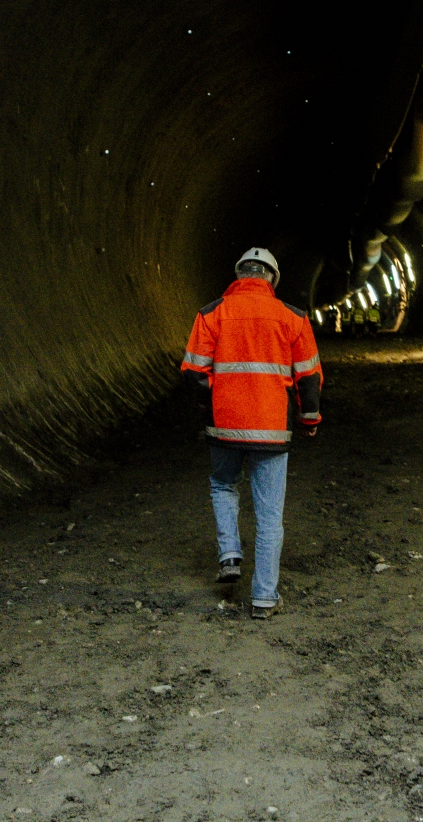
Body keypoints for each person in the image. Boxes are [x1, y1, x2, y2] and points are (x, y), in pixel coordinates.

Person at [180, 248, 323, 620]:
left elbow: (194, 373)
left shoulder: (212, 313)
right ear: (271, 278)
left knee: (223, 484)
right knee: (270, 516)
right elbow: (308, 378)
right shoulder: (293, 317)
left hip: (225, 425)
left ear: (238, 274)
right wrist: (309, 419)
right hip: (272, 430)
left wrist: (210, 410)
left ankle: (229, 554)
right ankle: (263, 598)